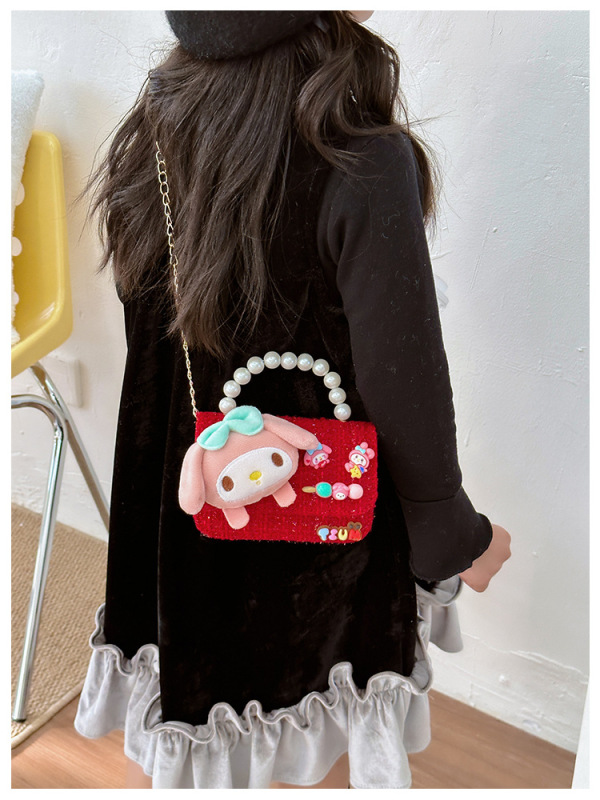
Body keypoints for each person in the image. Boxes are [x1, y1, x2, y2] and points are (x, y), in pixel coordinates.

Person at [74, 10, 511, 790]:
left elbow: (153, 342)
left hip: (185, 511)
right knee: (302, 697)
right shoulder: (360, 157)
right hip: (319, 540)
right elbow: (404, 382)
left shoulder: (159, 123)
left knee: (217, 715)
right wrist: (450, 535)